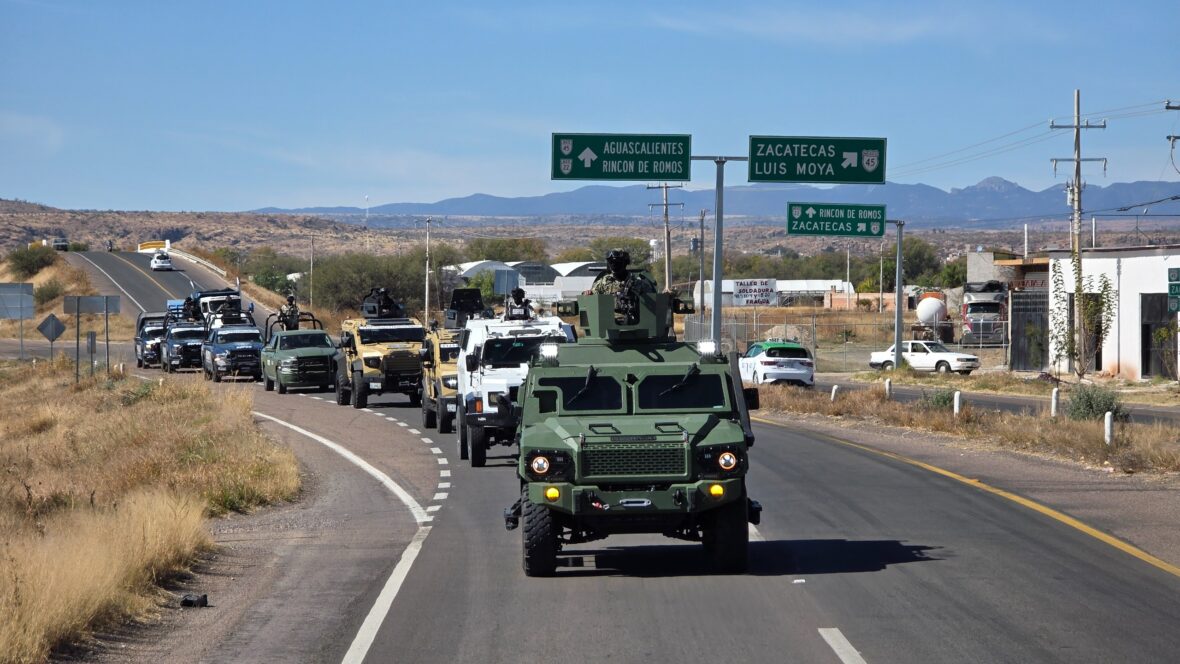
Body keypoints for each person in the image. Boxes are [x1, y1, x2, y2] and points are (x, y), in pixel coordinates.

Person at [588, 249, 656, 296]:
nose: (613, 265)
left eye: (617, 262)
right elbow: (591, 298)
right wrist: (587, 294)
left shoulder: (638, 284)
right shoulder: (603, 283)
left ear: (625, 263)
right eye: (611, 262)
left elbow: (654, 300)